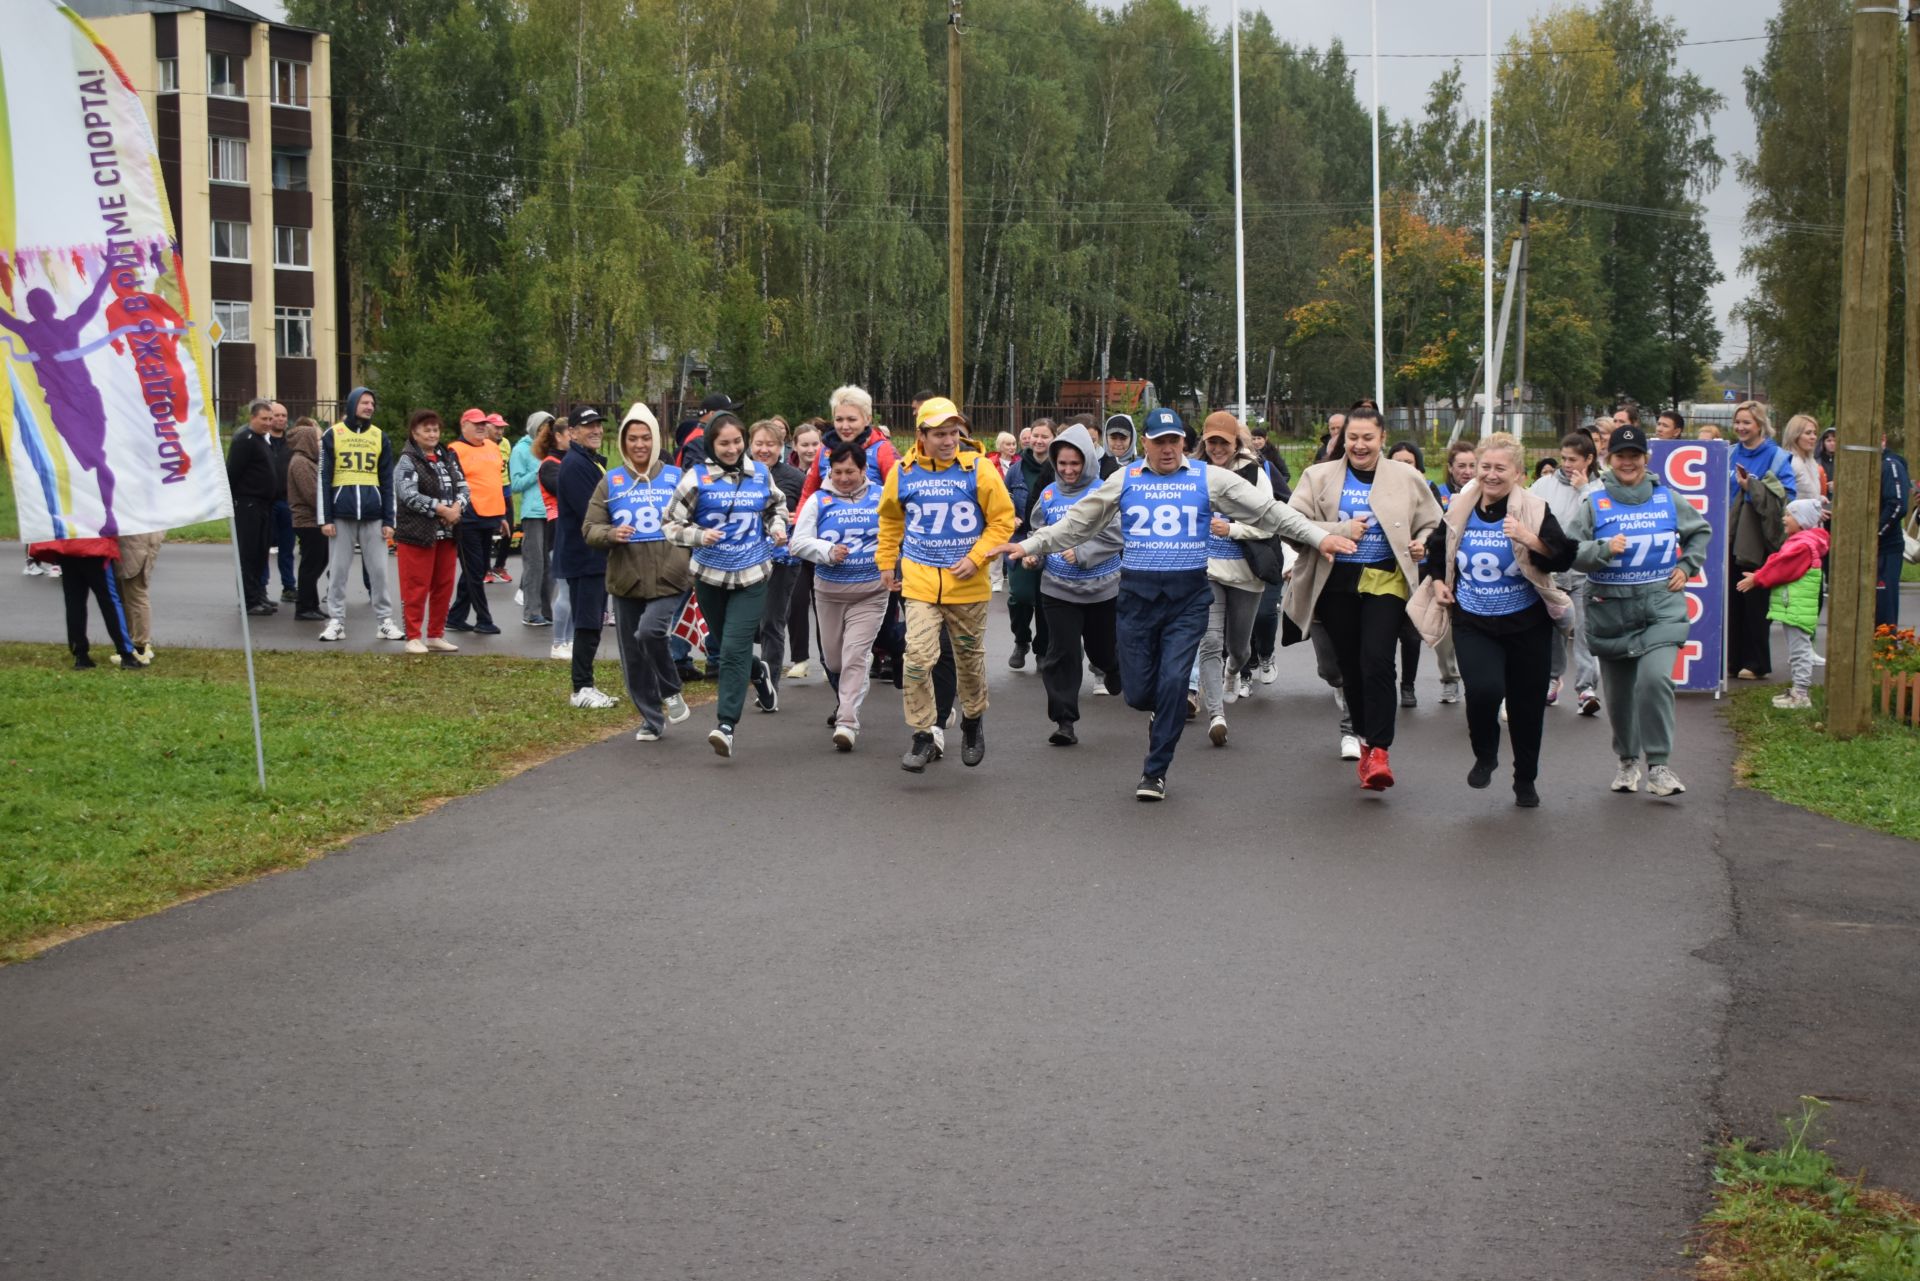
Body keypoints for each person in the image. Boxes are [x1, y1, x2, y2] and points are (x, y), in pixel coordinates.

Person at [991, 407, 1352, 800]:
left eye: (1174, 441)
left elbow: (1268, 511)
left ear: (1184, 442)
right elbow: (1078, 522)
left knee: (1174, 685)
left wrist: (1318, 538)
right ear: (1145, 443)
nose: (1167, 449)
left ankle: (1154, 771)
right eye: (1159, 441)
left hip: (1187, 598)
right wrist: (1029, 543)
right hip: (1136, 597)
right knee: (1139, 693)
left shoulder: (1207, 477)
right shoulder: (1124, 478)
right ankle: (1157, 712)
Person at [1284, 405, 1445, 791]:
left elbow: (1434, 523)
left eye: (1367, 438)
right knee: (1350, 667)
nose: (1359, 445)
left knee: (1377, 660)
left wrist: (1422, 544)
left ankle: (1381, 749)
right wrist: (1339, 528)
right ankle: (1364, 738)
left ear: (1382, 439)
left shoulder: (1406, 477)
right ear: (1342, 439)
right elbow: (1290, 525)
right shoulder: (1318, 476)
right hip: (1336, 581)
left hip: (1386, 580)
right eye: (1352, 438)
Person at [1419, 434, 1576, 807]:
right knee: (1484, 691)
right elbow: (1436, 549)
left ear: (1518, 474)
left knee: (1525, 708)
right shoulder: (1460, 507)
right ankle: (1486, 754)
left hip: (1526, 624)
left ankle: (1525, 779)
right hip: (1474, 620)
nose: (1490, 475)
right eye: (1483, 467)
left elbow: (1563, 556)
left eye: (1499, 468)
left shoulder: (1534, 509)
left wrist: (1530, 539)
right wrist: (1440, 582)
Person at [1567, 424, 1712, 797]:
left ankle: (1660, 765)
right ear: (1608, 460)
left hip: (1661, 607)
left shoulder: (1667, 499)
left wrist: (1687, 566)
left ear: (1646, 458)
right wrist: (1601, 549)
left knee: (1654, 680)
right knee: (1619, 695)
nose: (1628, 462)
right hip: (1611, 611)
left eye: (1635, 456)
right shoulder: (1594, 503)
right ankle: (1628, 760)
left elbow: (1700, 531)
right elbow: (1568, 552)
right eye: (1620, 456)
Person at [877, 397, 1016, 772]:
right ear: (921, 435)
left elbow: (1003, 521)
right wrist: (886, 560)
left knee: (969, 661)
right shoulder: (903, 473)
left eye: (954, 432)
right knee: (917, 659)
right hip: (921, 583)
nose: (949, 440)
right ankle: (924, 734)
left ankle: (972, 719)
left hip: (968, 585)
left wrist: (977, 557)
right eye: (940, 434)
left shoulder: (979, 470)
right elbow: (890, 520)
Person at [663, 412, 788, 756]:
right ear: (711, 445)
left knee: (732, 648)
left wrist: (778, 529)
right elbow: (670, 525)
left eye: (737, 441)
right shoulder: (696, 478)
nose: (732, 449)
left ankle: (726, 725)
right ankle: (757, 673)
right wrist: (699, 535)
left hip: (752, 573)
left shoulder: (759, 474)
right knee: (727, 642)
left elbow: (776, 508)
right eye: (724, 443)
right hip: (709, 576)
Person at [583, 403, 694, 740]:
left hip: (670, 574)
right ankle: (651, 718)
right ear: (623, 442)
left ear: (656, 439)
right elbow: (589, 528)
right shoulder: (611, 481)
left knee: (649, 632)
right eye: (633, 439)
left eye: (646, 438)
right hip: (626, 578)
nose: (640, 445)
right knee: (633, 655)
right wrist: (609, 535)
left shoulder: (676, 477)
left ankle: (671, 689)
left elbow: (698, 520)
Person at [1021, 422, 1123, 745]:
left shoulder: (1102, 491)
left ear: (1088, 462)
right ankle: (1064, 721)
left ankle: (1113, 668)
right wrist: (1033, 555)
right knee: (1062, 654)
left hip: (1101, 588)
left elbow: (1118, 535)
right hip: (1058, 589)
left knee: (1101, 650)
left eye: (1075, 464)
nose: (1068, 470)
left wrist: (1081, 552)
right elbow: (1038, 533)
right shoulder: (1049, 494)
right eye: (1062, 463)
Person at [789, 441, 891, 749]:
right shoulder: (819, 500)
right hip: (829, 592)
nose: (844, 478)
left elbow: (898, 530)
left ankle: (847, 722)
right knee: (834, 661)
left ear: (863, 470)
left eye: (850, 471)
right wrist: (827, 551)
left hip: (871, 592)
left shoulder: (881, 495)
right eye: (837, 472)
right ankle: (851, 693)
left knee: (854, 657)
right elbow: (798, 543)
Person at [1193, 413, 1274, 746]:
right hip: (1207, 570)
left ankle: (1234, 671)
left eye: (1222, 443)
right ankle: (1216, 715)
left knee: (1237, 648)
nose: (1216, 449)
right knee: (1209, 642)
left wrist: (1233, 528)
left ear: (1235, 443)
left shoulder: (1255, 475)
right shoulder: (1193, 472)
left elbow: (1270, 523)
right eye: (1211, 442)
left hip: (1245, 572)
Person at [319, 387, 401, 641]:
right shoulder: (332, 434)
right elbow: (323, 477)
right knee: (339, 571)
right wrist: (326, 518)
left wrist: (390, 520)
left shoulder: (380, 437)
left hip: (373, 515)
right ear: (353, 403)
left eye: (372, 403)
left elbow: (387, 481)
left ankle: (385, 621)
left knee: (379, 572)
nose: (369, 407)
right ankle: (336, 622)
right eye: (364, 402)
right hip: (341, 515)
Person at [1530, 432, 1603, 716]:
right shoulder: (1544, 484)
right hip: (1552, 572)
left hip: (1585, 573)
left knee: (1584, 631)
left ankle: (1586, 689)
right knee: (1554, 632)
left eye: (1573, 459)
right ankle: (1552, 678)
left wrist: (1584, 489)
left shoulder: (1599, 487)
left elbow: (1600, 520)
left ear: (1589, 459)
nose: (1567, 464)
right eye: (1564, 458)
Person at [553, 407, 620, 708]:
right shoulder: (575, 465)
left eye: (597, 425)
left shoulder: (588, 461)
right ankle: (581, 688)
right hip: (584, 556)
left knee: (592, 620)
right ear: (572, 432)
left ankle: (585, 685)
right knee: (587, 622)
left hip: (593, 556)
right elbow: (592, 512)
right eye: (587, 425)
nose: (595, 430)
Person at [1737, 498, 1828, 710]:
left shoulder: (1802, 546)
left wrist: (1757, 579)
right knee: (1797, 649)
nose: (1784, 519)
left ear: (1802, 520)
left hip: (1797, 606)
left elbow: (1781, 567)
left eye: (1789, 515)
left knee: (1799, 650)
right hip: (1795, 605)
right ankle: (1798, 690)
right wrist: (1760, 574)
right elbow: (1777, 563)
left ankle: (1801, 694)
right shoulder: (1801, 542)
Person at [1728, 399, 1796, 680]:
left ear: (1760, 425)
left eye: (1747, 422)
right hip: (1730, 537)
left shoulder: (1777, 456)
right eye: (1737, 422)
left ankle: (1756, 662)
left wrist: (1753, 487)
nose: (1741, 427)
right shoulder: (1729, 453)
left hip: (1759, 539)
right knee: (1732, 599)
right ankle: (1732, 659)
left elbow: (1787, 495)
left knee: (1755, 601)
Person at [391, 409, 469, 653]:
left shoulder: (447, 457)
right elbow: (407, 494)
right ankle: (413, 636)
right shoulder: (407, 460)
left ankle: (436, 634)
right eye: (427, 429)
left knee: (444, 585)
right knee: (416, 586)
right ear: (415, 432)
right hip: (417, 534)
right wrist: (440, 510)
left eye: (436, 429)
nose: (433, 434)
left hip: (447, 534)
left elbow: (464, 486)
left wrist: (457, 507)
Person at [750, 418, 808, 710]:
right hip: (745, 559)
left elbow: (810, 508)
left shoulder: (795, 477)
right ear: (750, 446)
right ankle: (752, 671)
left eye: (770, 444)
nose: (764, 449)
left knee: (773, 622)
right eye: (759, 443)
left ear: (781, 447)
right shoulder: (741, 476)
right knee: (750, 624)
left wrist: (797, 516)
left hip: (782, 561)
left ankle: (768, 688)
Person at [27, 535, 144, 669]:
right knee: (110, 603)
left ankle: (80, 656)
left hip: (68, 549)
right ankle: (127, 655)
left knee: (74, 604)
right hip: (96, 550)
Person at [444, 408, 509, 636]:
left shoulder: (492, 447)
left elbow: (495, 481)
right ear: (464, 425)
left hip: (489, 515)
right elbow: (453, 486)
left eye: (483, 423)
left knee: (479, 568)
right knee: (474, 570)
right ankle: (484, 619)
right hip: (468, 518)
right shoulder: (455, 450)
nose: (481, 427)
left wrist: (501, 516)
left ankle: (455, 617)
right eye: (475, 424)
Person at [1002, 418, 1054, 669]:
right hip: (1020, 540)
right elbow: (1002, 502)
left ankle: (1043, 649)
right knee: (1020, 596)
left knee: (1046, 599)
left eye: (1045, 436)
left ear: (1053, 439)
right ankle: (1021, 640)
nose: (1039, 440)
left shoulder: (1059, 468)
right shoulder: (1016, 470)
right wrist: (1009, 516)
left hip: (1051, 541)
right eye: (1035, 435)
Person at [226, 398, 277, 617]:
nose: (268, 423)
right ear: (252, 418)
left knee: (259, 554)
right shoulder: (244, 439)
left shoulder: (261, 439)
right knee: (248, 554)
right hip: (248, 505)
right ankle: (249, 600)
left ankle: (259, 595)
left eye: (270, 418)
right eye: (264, 419)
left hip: (263, 505)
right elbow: (233, 473)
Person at [786, 423, 824, 675]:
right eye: (805, 444)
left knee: (823, 603)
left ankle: (827, 659)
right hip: (796, 547)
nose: (810, 449)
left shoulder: (830, 470)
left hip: (823, 544)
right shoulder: (787, 474)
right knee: (797, 601)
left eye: (815, 444)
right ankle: (800, 659)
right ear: (795, 446)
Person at [535, 416, 575, 658]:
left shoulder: (572, 461)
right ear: (559, 436)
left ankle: (569, 641)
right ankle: (559, 642)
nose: (575, 437)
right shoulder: (549, 465)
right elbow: (568, 489)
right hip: (559, 532)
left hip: (574, 531)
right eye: (571, 433)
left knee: (575, 592)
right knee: (566, 590)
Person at [511, 411, 555, 625]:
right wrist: (539, 471)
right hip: (533, 513)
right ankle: (531, 612)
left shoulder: (552, 448)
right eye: (543, 428)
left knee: (550, 565)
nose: (545, 432)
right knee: (534, 564)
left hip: (552, 512)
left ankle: (546, 611)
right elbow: (516, 484)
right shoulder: (521, 449)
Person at [286, 417, 329, 621]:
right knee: (311, 564)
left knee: (319, 561)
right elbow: (312, 494)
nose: (320, 443)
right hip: (308, 521)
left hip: (314, 520)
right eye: (318, 439)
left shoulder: (308, 461)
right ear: (308, 441)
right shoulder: (301, 463)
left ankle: (311, 603)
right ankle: (304, 606)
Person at [1877, 436, 1913, 628]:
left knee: (1885, 606)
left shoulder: (1890, 465)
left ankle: (1885, 648)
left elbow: (1898, 505)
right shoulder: (1871, 464)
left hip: (1886, 547)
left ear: (1883, 440)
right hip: (1872, 548)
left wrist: (1876, 534)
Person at [115, 530, 164, 665]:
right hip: (135, 545)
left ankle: (140, 647)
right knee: (127, 596)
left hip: (135, 547)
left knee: (136, 596)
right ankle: (133, 641)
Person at [264, 400, 296, 603]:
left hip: (287, 502)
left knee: (287, 548)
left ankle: (289, 586)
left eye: (284, 415)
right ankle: (261, 587)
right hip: (266, 502)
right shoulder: (261, 441)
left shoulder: (291, 443)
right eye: (276, 415)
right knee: (262, 548)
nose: (281, 419)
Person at [1780, 414, 1827, 503]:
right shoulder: (1789, 463)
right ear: (1795, 435)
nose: (1813, 437)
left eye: (1815, 433)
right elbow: (1786, 503)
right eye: (1808, 433)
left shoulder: (1811, 461)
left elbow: (1808, 495)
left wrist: (1820, 499)